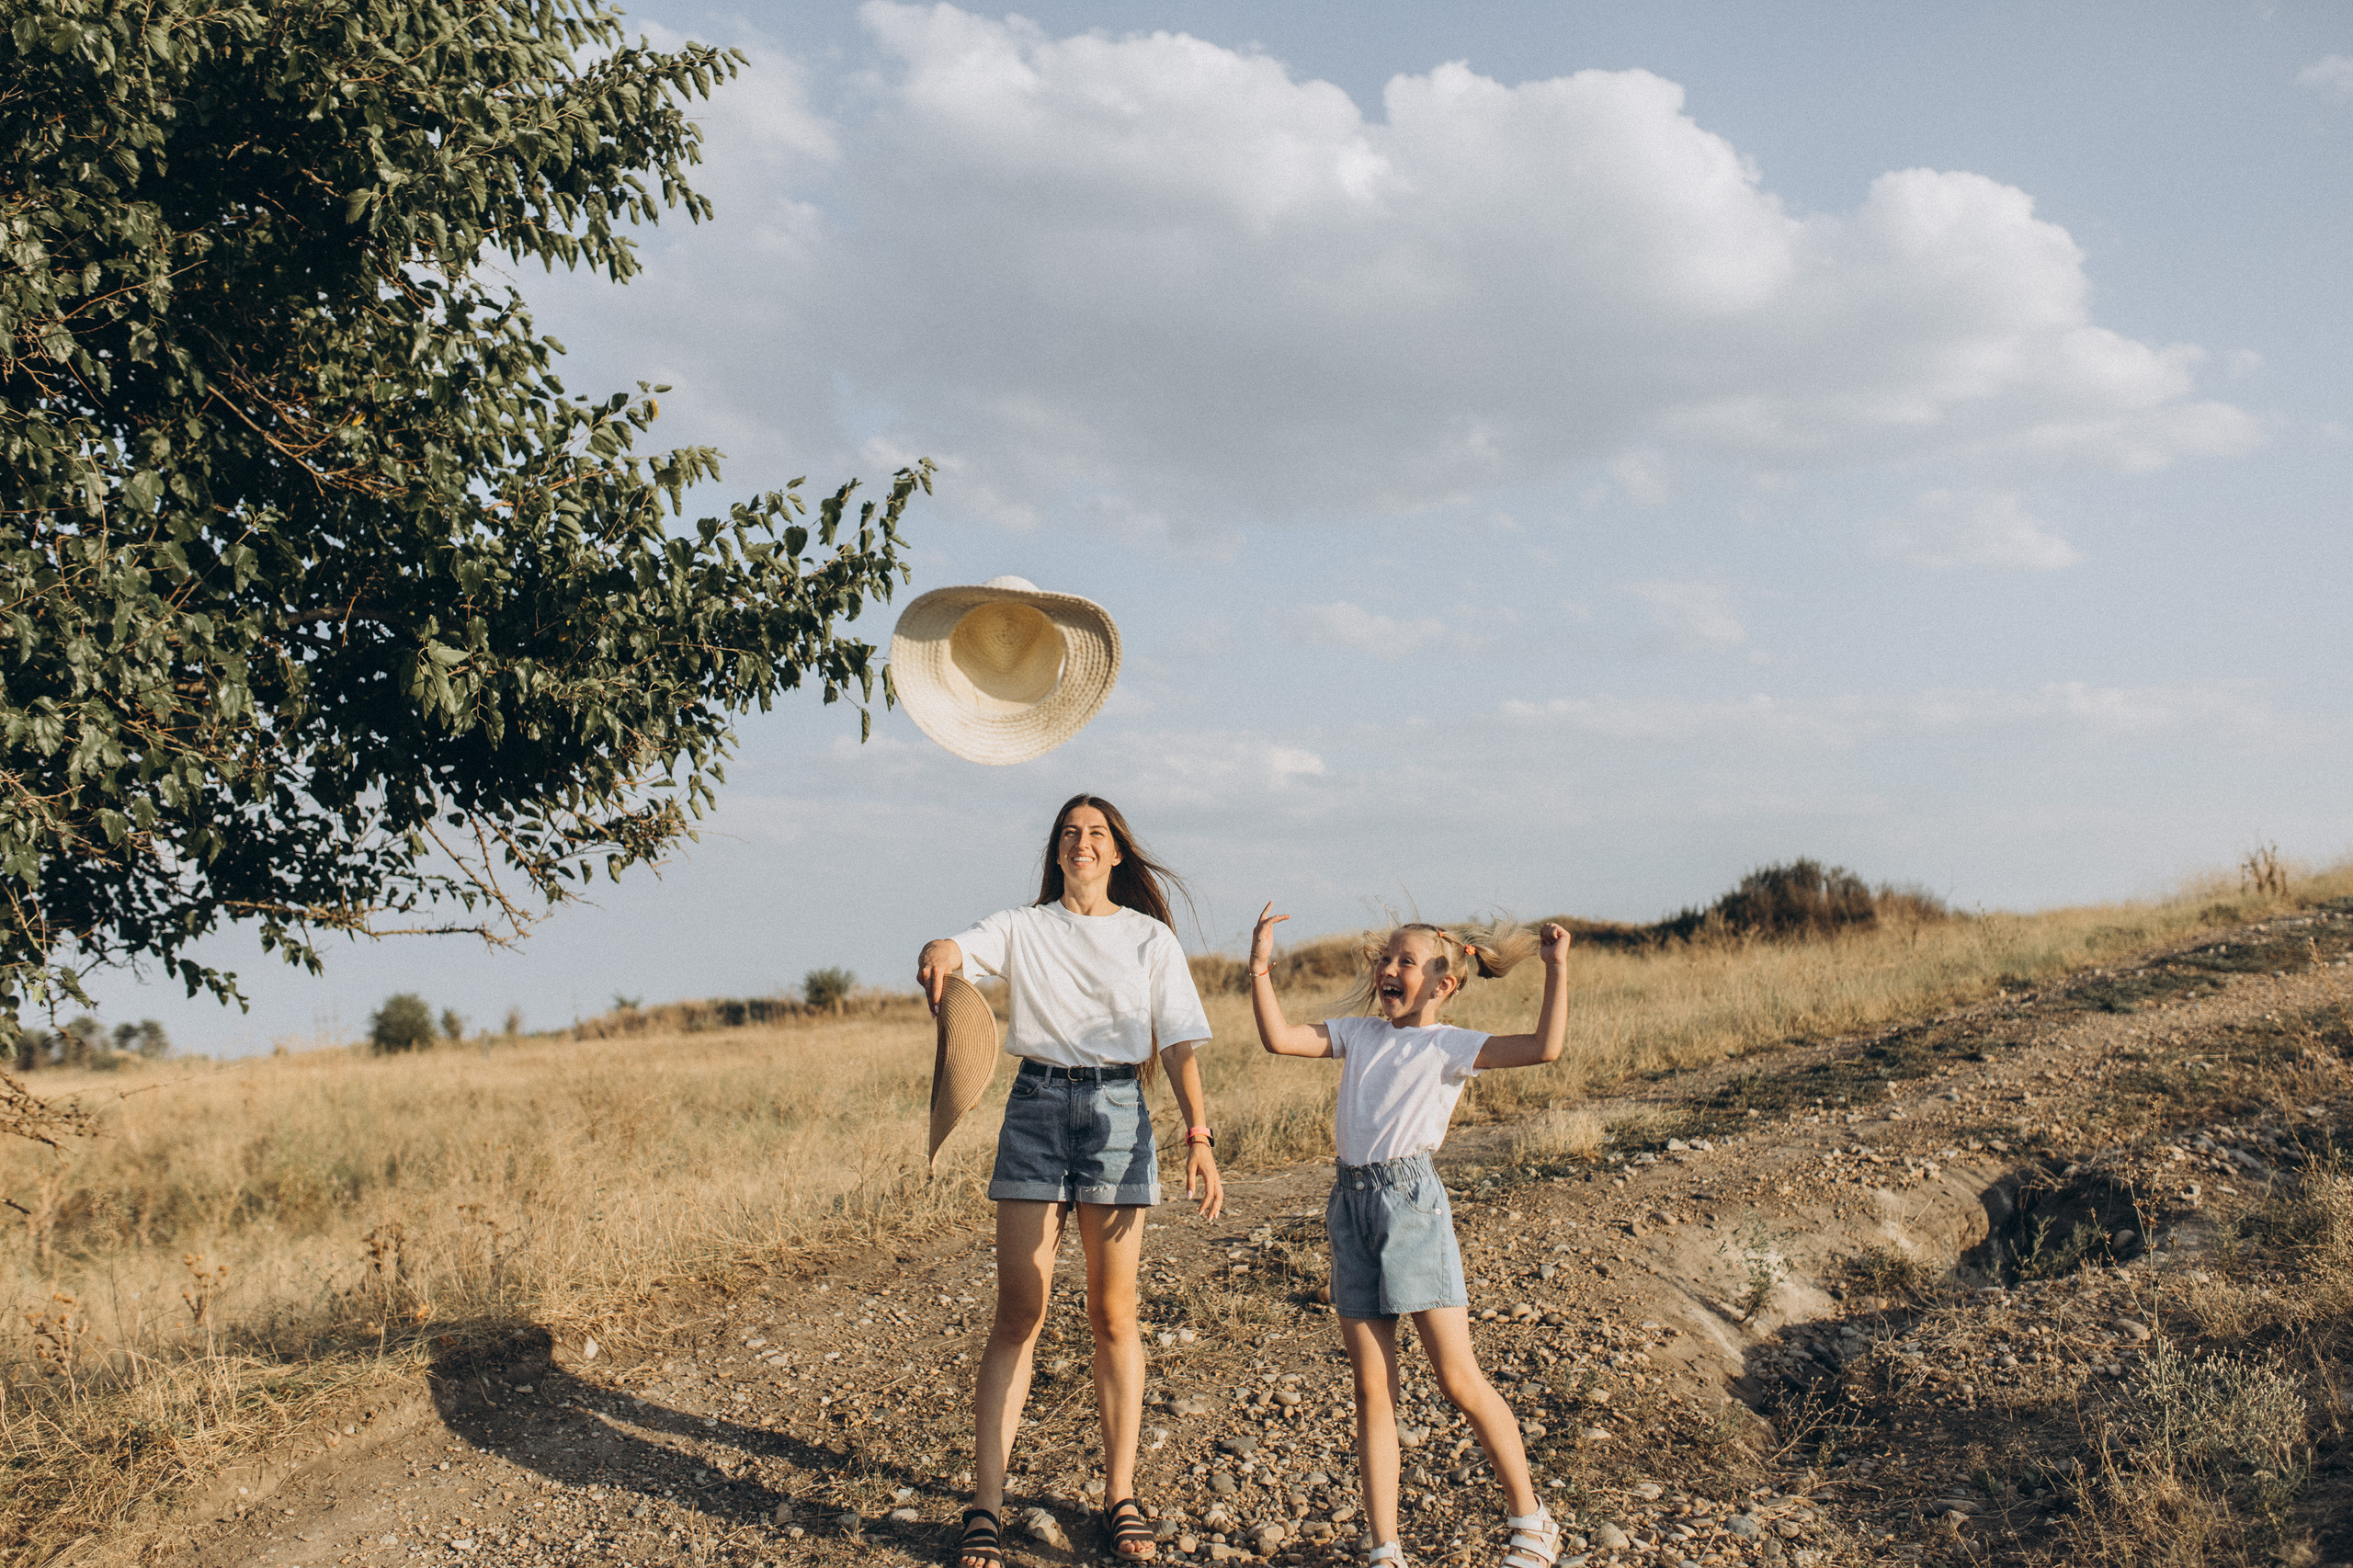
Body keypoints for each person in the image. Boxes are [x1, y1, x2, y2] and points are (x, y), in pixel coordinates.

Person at [919, 795, 1225, 1568]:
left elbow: (1182, 1042)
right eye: (1069, 833)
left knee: (1113, 1314)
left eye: (1096, 834)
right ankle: (984, 1505)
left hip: (1120, 1109)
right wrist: (938, 951)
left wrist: (1199, 1135)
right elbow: (959, 948)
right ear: (1057, 851)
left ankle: (1120, 1496)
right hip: (1036, 1105)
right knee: (1019, 1310)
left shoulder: (1149, 938)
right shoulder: (1024, 926)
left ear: (1117, 852)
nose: (1082, 843)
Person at [1245, 905, 1573, 1568]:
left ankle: (1532, 1520)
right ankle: (1385, 1549)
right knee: (1373, 1391)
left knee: (1457, 1378)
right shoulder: (1360, 1034)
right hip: (1351, 1206)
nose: (1388, 970)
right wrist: (1258, 969)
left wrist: (1557, 969)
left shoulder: (1448, 1045)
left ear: (1442, 985)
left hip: (1411, 1208)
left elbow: (1544, 1048)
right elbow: (1280, 1038)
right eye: (1385, 959)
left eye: (1405, 962)